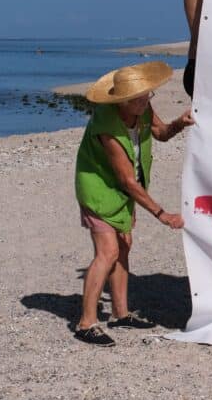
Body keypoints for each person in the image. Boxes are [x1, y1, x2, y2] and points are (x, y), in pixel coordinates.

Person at [73, 61, 195, 346]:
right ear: (121, 101)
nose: (144, 101)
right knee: (108, 252)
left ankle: (120, 314)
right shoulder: (108, 126)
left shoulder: (142, 109)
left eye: (146, 95)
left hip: (122, 191)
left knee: (124, 246)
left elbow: (161, 133)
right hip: (98, 189)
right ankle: (86, 323)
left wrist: (180, 122)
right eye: (137, 98)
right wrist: (162, 214)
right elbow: (127, 180)